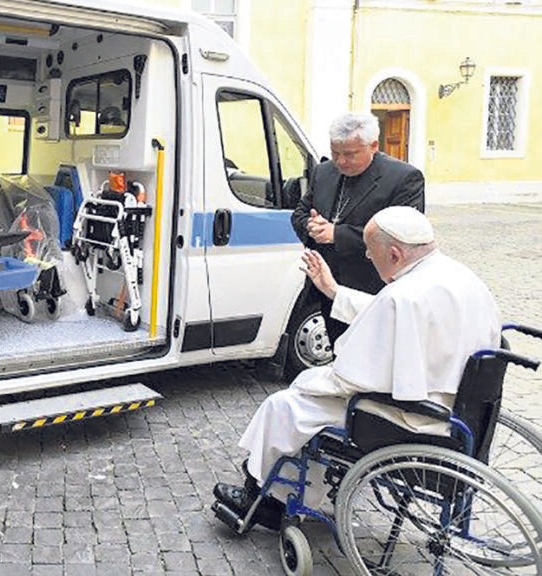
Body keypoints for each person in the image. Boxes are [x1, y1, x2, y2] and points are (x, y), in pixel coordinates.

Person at [214, 206, 500, 529]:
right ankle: (290, 492)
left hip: (409, 418)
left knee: (285, 406)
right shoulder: (461, 278)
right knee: (305, 399)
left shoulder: (403, 295)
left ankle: (263, 499)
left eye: (370, 250)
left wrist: (311, 383)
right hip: (457, 412)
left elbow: (351, 375)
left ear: (394, 253)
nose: (366, 255)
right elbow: (393, 315)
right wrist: (333, 291)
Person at [292, 112, 425, 347]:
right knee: (340, 354)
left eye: (350, 154)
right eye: (336, 153)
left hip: (373, 288)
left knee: (376, 356)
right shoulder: (323, 172)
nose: (341, 161)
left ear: (373, 146)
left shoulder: (404, 178)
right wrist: (311, 226)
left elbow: (402, 236)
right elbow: (300, 213)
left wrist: (337, 234)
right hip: (328, 287)